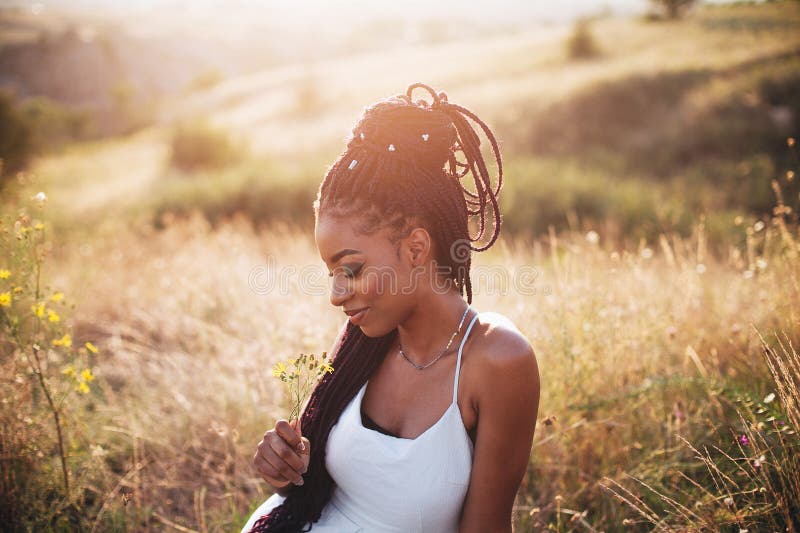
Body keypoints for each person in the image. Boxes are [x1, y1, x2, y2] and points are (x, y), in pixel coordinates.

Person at [242, 83, 540, 532]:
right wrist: (284, 470)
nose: (337, 295)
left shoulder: (497, 361)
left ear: (416, 247)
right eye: (331, 273)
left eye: (353, 269)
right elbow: (314, 486)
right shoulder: (366, 342)